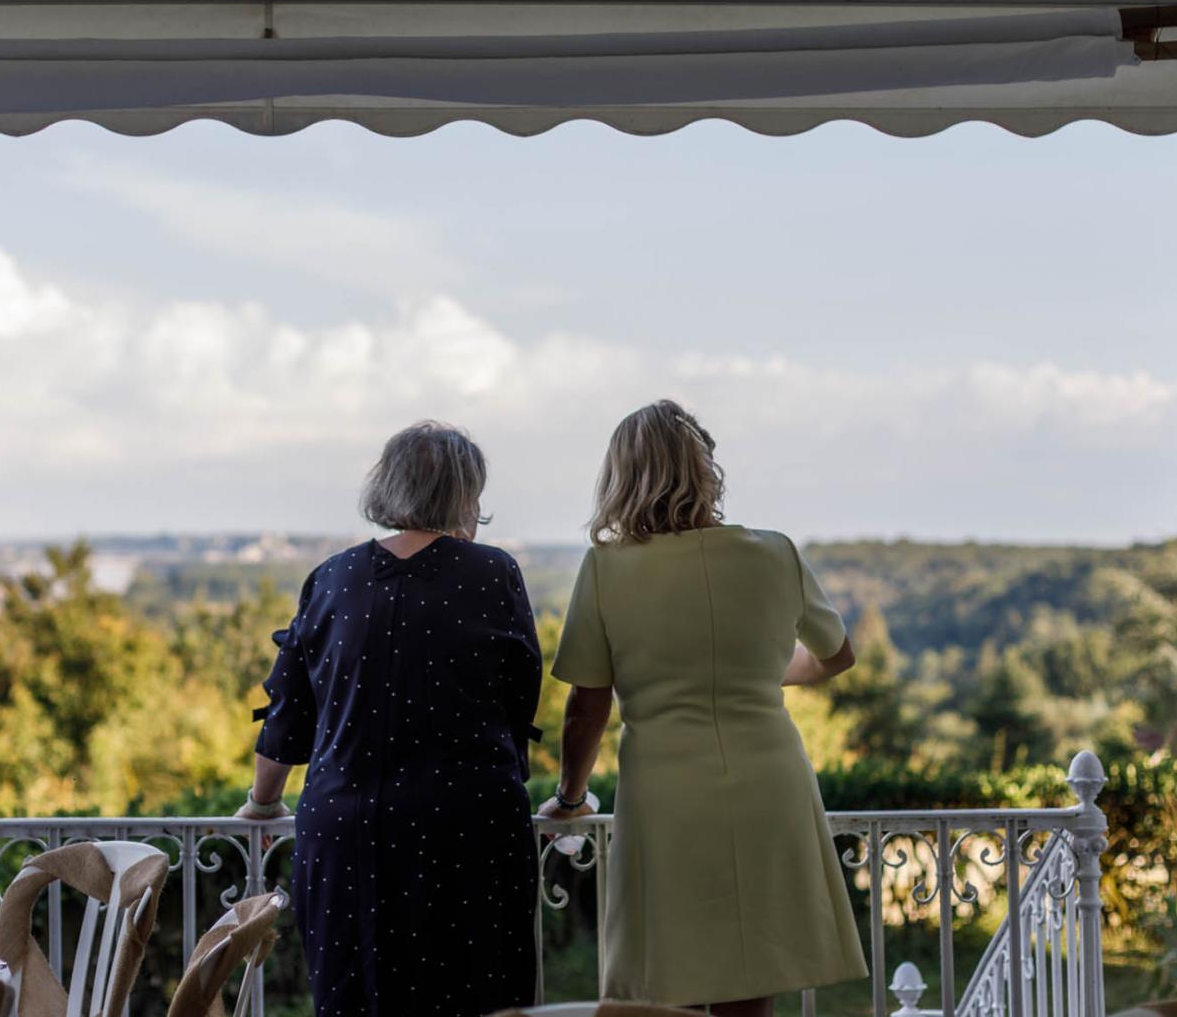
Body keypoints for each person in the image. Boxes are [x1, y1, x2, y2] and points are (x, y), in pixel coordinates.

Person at [539, 399, 867, 1016]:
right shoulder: (775, 553)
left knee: (670, 976)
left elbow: (588, 703)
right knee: (752, 968)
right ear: (704, 469)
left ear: (622, 476)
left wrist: (572, 794)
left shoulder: (608, 568)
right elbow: (835, 657)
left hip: (668, 790)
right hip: (771, 778)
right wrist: (756, 677)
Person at [239, 420, 542, 1017]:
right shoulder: (493, 574)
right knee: (479, 997)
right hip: (467, 830)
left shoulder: (330, 578)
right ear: (465, 493)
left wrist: (262, 800)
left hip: (348, 834)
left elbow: (289, 714)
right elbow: (518, 697)